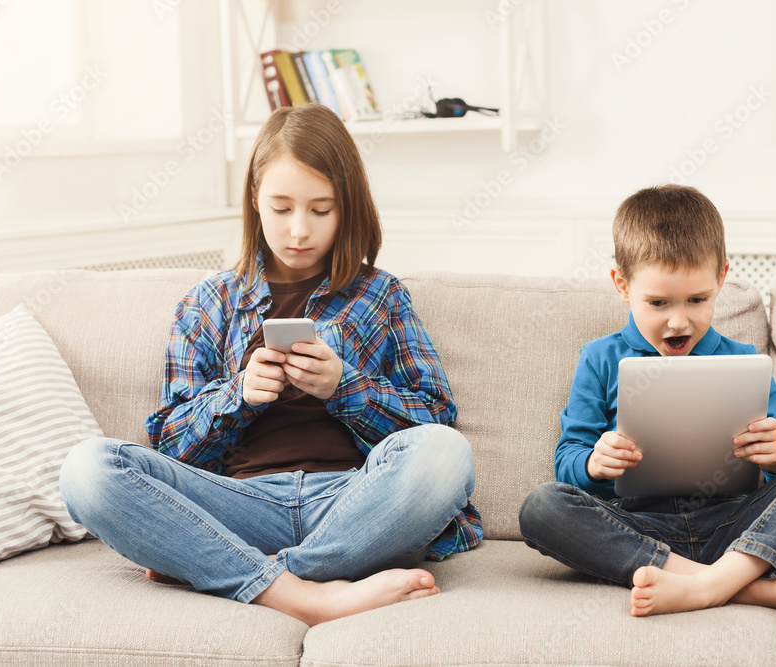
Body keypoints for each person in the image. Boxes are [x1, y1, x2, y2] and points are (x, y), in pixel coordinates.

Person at [59, 103, 481, 627]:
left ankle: (240, 572)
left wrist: (344, 387)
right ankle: (312, 595)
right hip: (237, 505)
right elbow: (169, 444)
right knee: (87, 469)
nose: (299, 230)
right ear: (255, 200)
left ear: (346, 209)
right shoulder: (207, 303)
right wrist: (236, 395)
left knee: (446, 453)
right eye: (282, 208)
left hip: (353, 502)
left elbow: (436, 418)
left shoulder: (381, 295)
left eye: (320, 210)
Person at [517, 184, 776, 617]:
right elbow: (567, 463)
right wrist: (595, 463)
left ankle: (706, 585)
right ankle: (736, 583)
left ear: (721, 279)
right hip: (642, 527)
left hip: (738, 522)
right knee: (541, 507)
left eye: (697, 300)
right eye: (658, 302)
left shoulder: (742, 361)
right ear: (622, 285)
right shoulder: (600, 358)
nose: (678, 321)